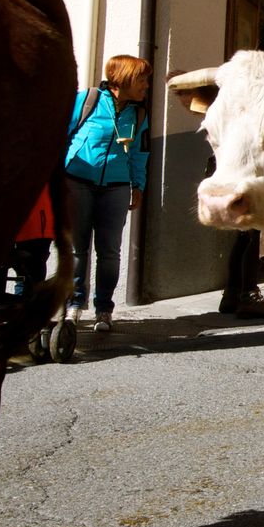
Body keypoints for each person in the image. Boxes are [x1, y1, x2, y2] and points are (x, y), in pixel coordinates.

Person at [65, 54, 152, 332]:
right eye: (142, 79)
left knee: (110, 252)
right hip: (77, 182)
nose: (146, 86)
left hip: (116, 188)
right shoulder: (86, 100)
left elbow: (140, 154)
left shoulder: (138, 114)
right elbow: (62, 135)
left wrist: (137, 185)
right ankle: (74, 306)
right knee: (78, 250)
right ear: (123, 79)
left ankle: (104, 309)